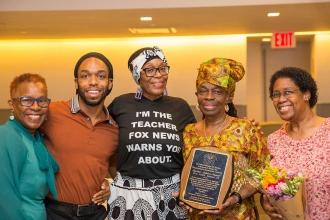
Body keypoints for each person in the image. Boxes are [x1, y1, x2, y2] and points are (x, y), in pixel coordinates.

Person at [107, 46, 196, 220]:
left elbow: (194, 150)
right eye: (149, 70)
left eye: (163, 68)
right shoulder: (121, 104)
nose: (159, 74)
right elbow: (105, 142)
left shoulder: (180, 107)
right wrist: (116, 180)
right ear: (137, 75)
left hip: (171, 195)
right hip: (128, 194)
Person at [182, 58, 269, 220]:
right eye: (203, 90)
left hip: (238, 215)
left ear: (229, 97)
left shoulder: (246, 129)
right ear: (197, 95)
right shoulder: (189, 132)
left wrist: (236, 197)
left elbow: (262, 171)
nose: (209, 96)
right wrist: (184, 196)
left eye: (217, 91)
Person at [41, 52, 119, 219]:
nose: (93, 82)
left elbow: (111, 171)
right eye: (85, 76)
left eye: (101, 76)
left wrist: (109, 187)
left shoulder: (113, 129)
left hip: (94, 212)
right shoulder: (52, 112)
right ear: (76, 82)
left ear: (110, 83)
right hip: (54, 212)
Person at [261, 67, 330, 220]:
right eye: (275, 94)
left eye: (287, 92)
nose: (280, 99)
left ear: (306, 94)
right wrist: (266, 203)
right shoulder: (274, 140)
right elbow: (270, 185)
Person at [0, 73, 58, 220]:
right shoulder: (7, 136)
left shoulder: (36, 138)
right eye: (26, 100)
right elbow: (4, 199)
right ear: (12, 104)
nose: (36, 107)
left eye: (42, 100)